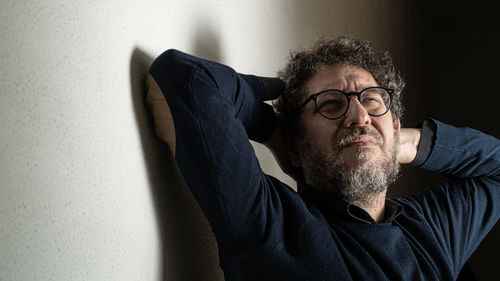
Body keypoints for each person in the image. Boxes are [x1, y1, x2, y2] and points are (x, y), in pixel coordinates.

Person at [145, 36, 499, 281]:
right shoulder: (268, 222)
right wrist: (274, 131)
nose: (359, 115)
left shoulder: (431, 230)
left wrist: (396, 143)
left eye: (372, 100)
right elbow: (191, 80)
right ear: (295, 145)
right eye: (330, 104)